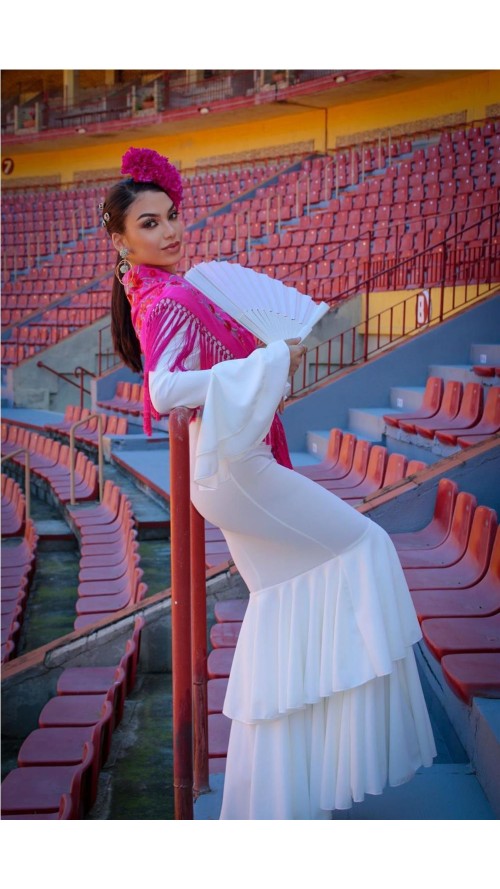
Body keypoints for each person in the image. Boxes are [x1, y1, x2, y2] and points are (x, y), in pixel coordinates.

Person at [103, 146, 436, 820]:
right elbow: (163, 389)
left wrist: (256, 366)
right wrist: (263, 366)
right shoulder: (165, 296)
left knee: (283, 597)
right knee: (365, 546)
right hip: (237, 467)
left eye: (170, 217)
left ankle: (282, 790)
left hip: (227, 464)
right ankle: (332, 755)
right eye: (148, 224)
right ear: (120, 239)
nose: (168, 232)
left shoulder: (158, 289)